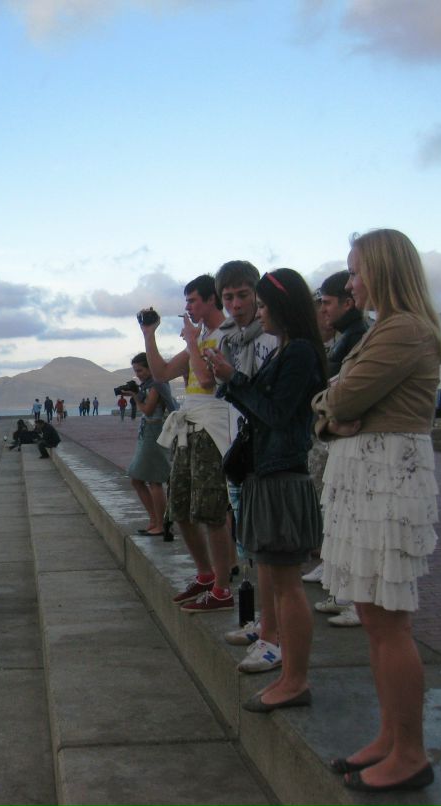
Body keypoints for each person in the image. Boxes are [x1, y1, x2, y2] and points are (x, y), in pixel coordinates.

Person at [312, 229, 441, 793]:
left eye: (357, 270)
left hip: (388, 476)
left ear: (384, 270)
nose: (350, 282)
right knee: (372, 617)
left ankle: (410, 752)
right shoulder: (384, 330)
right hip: (367, 476)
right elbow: (329, 404)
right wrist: (332, 409)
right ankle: (389, 737)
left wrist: (333, 405)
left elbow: (340, 398)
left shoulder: (405, 330)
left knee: (390, 623)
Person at [207, 268, 326, 713]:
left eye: (260, 305)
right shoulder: (289, 352)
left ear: (278, 306)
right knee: (276, 582)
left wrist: (233, 381)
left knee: (287, 585)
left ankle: (295, 681)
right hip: (268, 474)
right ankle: (286, 670)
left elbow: (275, 413)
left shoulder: (298, 355)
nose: (255, 311)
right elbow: (264, 407)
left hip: (281, 477)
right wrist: (230, 379)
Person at [144, 274, 236, 613]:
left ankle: (223, 588)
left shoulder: (226, 336)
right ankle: (205, 573)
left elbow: (210, 381)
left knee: (211, 510)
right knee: (180, 506)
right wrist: (149, 335)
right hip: (189, 426)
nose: (188, 308)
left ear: (212, 299)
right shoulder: (201, 339)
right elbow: (163, 373)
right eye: (186, 301)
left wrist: (194, 344)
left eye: (193, 300)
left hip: (213, 427)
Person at [213, 260, 281, 672]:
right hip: (243, 449)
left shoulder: (271, 340)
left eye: (243, 295)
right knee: (251, 543)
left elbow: (265, 400)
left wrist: (232, 379)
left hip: (269, 455)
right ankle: (261, 623)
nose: (236, 305)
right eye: (229, 298)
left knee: (270, 551)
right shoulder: (230, 340)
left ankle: (274, 635)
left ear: (258, 294)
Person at [305, 269, 372, 627]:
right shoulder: (351, 336)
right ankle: (340, 582)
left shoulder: (359, 335)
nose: (324, 311)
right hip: (341, 442)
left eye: (328, 303)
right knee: (335, 511)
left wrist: (326, 412)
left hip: (356, 445)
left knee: (353, 519)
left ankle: (354, 596)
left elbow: (335, 391)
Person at [126, 352, 177, 537]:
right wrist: (137, 393)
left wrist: (136, 397)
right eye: (136, 371)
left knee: (154, 480)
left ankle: (161, 524)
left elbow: (147, 410)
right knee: (137, 479)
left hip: (154, 434)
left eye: (140, 370)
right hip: (147, 433)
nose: (138, 374)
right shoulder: (150, 385)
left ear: (149, 367)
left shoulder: (157, 384)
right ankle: (155, 520)